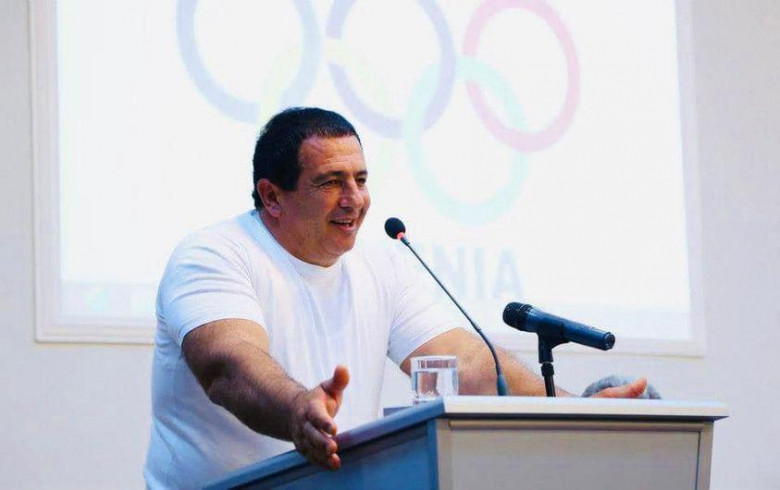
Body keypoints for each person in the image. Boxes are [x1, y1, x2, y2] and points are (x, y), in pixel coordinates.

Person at [143, 107, 647, 488]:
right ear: (272, 196)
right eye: (330, 182)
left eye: (360, 180)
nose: (355, 199)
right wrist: (297, 409)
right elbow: (229, 366)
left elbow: (470, 366)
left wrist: (577, 413)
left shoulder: (381, 264)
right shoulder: (214, 255)